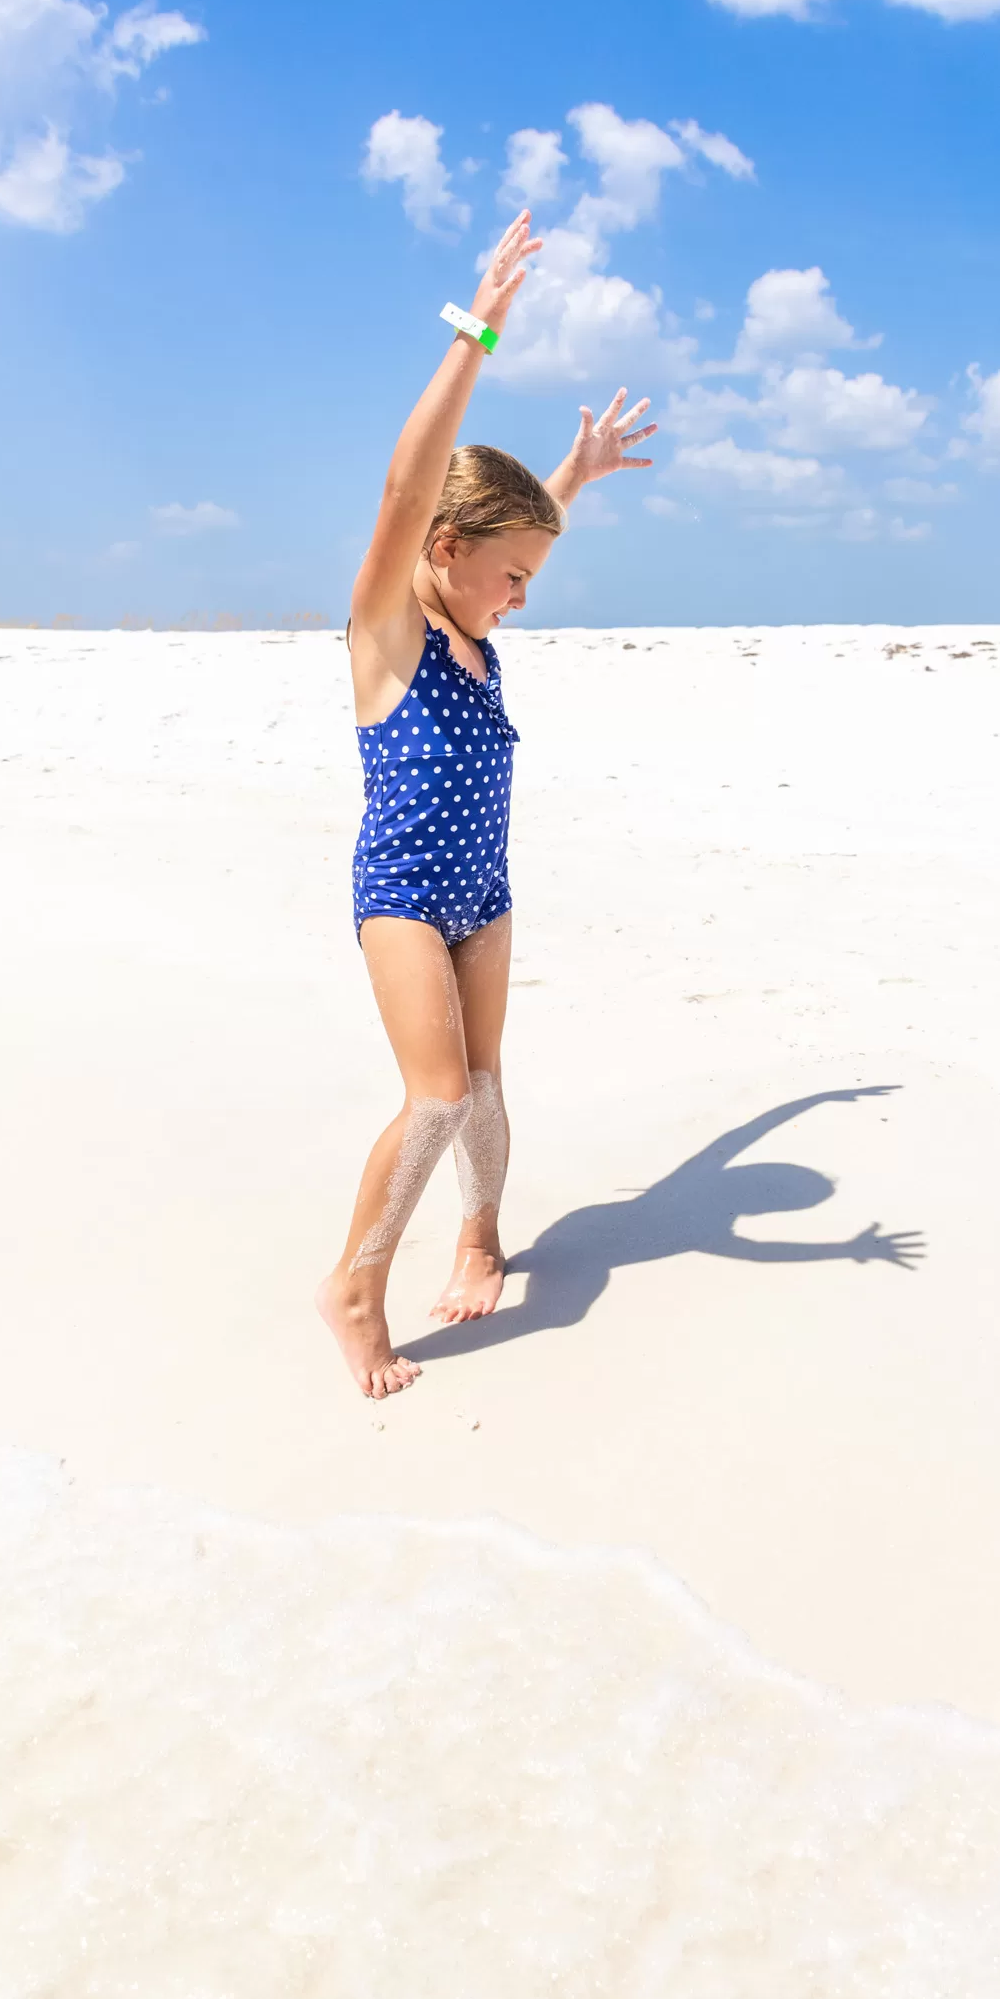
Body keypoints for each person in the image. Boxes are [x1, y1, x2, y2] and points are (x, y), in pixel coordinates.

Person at [315, 209, 657, 1399]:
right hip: (406, 894)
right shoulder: (389, 630)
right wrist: (480, 330)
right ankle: (355, 1283)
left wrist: (573, 478)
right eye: (511, 578)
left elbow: (507, 534)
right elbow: (413, 484)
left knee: (491, 1083)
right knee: (439, 1092)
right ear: (445, 547)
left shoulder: (470, 613)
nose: (519, 599)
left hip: (485, 892)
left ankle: (479, 1233)